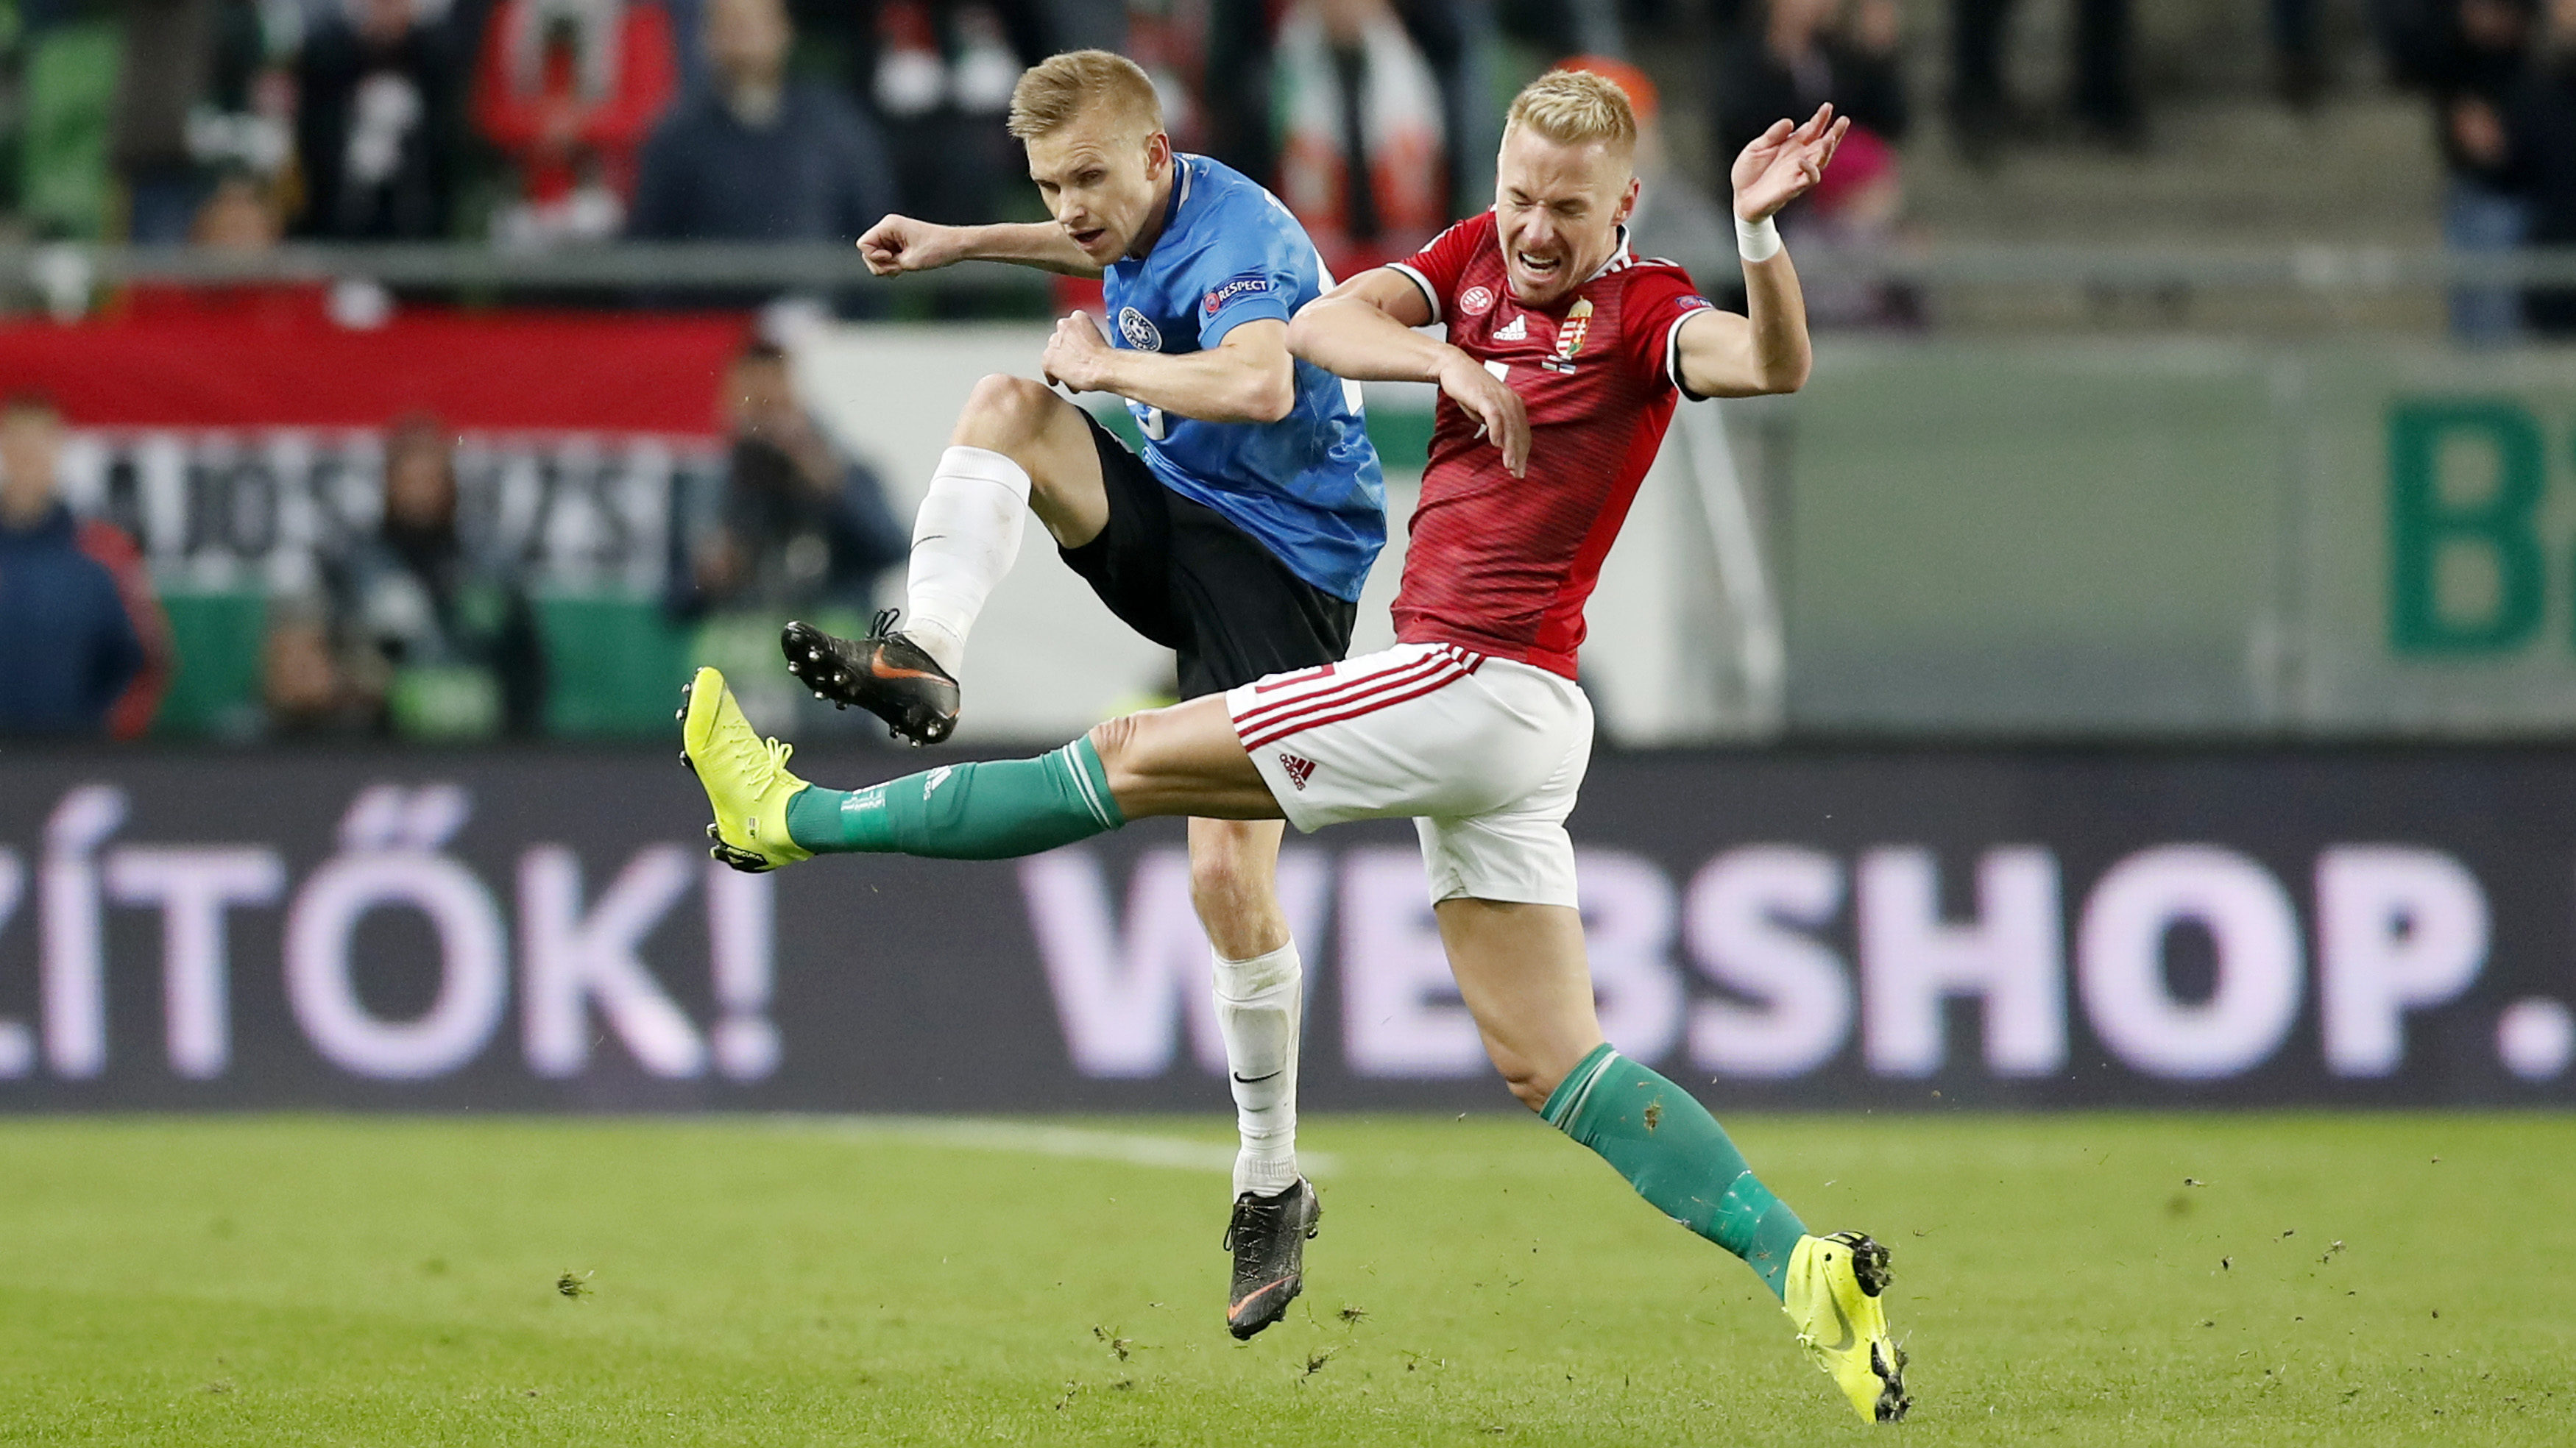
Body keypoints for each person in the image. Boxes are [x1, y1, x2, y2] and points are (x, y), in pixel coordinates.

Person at [683, 71, 1910, 1424]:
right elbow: (1326, 320)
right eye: (1517, 196)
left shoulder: (1646, 313)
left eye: (1567, 209)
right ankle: (1801, 1265)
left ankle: (791, 818)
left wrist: (1756, 234)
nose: (1533, 229)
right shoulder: (1471, 262)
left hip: (1471, 679)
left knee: (1130, 757)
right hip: (1512, 714)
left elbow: (1773, 364)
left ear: (1624, 207)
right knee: (1554, 1062)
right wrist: (1444, 357)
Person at [815, 49, 1387, 1340]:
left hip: (1284, 576)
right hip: (1182, 515)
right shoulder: (1131, 207)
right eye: (1047, 186)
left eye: (1086, 179)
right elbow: (1093, 244)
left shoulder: (1243, 238)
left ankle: (1270, 1181)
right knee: (1006, 405)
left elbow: (1261, 381)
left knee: (1223, 879)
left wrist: (1108, 369)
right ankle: (923, 650)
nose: (1070, 210)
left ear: (1155, 154)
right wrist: (961, 242)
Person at [272, 414, 548, 737]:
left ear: (451, 484)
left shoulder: (490, 566)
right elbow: (317, 661)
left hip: (482, 741)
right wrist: (357, 682)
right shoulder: (351, 564)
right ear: (388, 483)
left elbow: (527, 667)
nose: (420, 492)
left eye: (430, 478)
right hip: (378, 739)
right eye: (410, 479)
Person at [666, 340, 910, 622]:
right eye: (756, 409)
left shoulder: (843, 471)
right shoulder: (702, 486)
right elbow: (670, 599)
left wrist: (829, 482)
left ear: (796, 402)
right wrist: (706, 575)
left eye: (775, 407)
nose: (766, 427)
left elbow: (894, 549)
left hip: (830, 639)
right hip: (741, 642)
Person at [625, 0, 894, 241]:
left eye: (756, 21)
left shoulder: (835, 126)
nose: (744, 35)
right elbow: (650, 250)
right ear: (706, 37)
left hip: (818, 279)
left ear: (785, 29)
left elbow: (875, 226)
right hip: (715, 282)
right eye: (730, 24)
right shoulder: (677, 139)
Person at [0, 393, 173, 738]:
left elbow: (145, 662)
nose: (28, 454)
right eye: (17, 440)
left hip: (76, 755)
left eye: (39, 441)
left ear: (59, 448)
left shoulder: (105, 551)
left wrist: (106, 743)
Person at [473, 0, 682, 244]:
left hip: (612, 199)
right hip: (525, 202)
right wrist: (542, 127)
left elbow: (652, 112)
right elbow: (489, 110)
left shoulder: (637, 16)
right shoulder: (512, 16)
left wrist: (582, 127)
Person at [294, 0, 463, 239]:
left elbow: (445, 144)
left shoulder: (434, 59)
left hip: (414, 215)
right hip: (341, 213)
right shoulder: (329, 57)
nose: (386, 12)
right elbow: (314, 137)